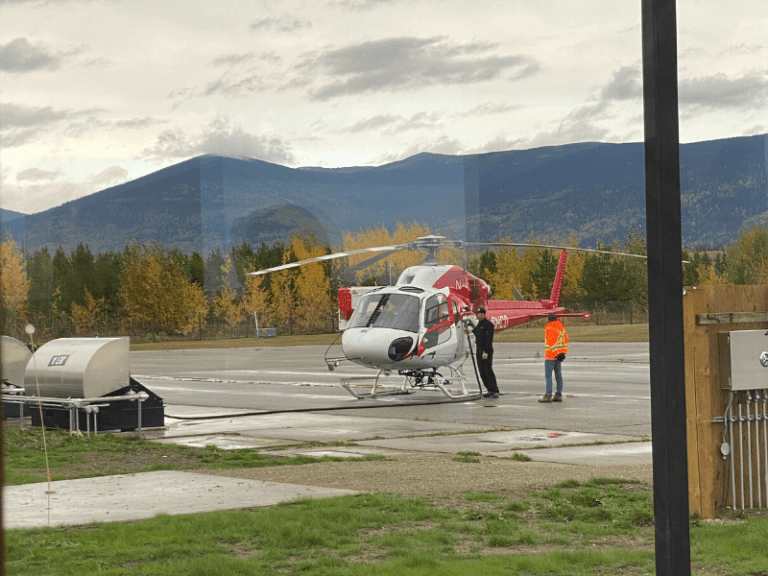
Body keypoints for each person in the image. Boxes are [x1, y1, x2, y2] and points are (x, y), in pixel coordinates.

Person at [540, 312, 569, 403]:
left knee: (548, 376)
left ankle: (548, 395)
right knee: (558, 375)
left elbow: (551, 342)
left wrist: (556, 353)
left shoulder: (549, 328)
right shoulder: (561, 328)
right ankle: (558, 394)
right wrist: (563, 353)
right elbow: (566, 341)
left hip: (550, 356)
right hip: (559, 356)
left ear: (548, 319)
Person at [472, 307, 499, 398]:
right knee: (482, 371)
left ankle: (494, 389)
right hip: (479, 349)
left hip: (485, 350)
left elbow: (488, 339)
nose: (478, 315)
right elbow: (475, 333)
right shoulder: (478, 325)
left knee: (488, 370)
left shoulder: (488, 325)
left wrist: (486, 351)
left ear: (483, 314)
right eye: (477, 314)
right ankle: (488, 389)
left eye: (479, 314)